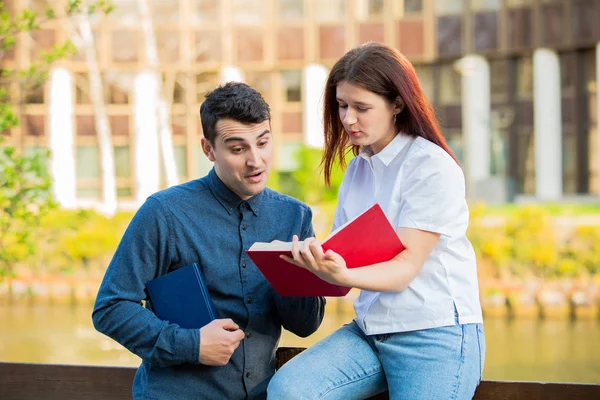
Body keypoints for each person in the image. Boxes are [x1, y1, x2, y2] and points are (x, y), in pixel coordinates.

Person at [267, 42, 485, 400]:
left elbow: (404, 267)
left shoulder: (431, 166)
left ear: (397, 104)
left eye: (361, 107)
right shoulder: (358, 170)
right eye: (342, 105)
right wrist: (309, 262)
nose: (348, 118)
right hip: (370, 332)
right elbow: (349, 260)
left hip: (435, 333)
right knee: (290, 391)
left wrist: (342, 274)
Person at [92, 82, 325, 400]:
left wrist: (299, 278)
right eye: (238, 148)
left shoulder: (294, 217)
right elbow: (111, 307)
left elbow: (305, 326)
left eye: (263, 142)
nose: (256, 161)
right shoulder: (164, 213)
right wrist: (193, 345)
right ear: (208, 149)